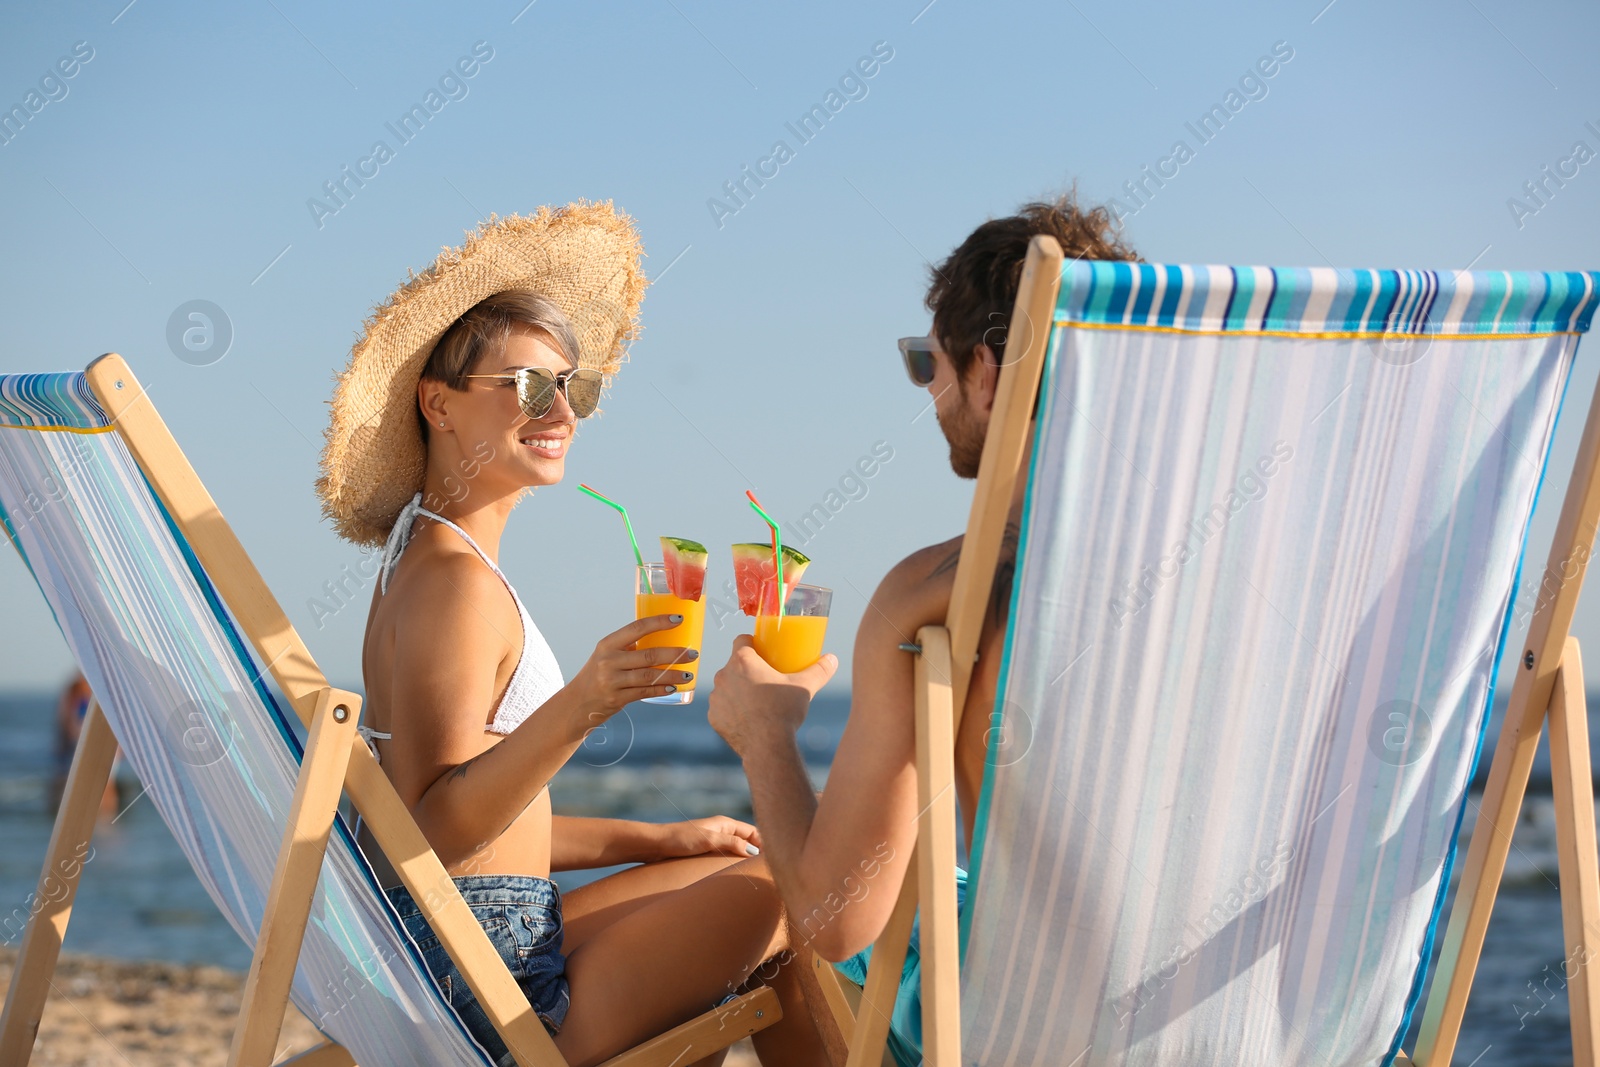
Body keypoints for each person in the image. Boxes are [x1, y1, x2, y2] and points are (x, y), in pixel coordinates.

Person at [316, 203, 824, 1067]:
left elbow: (470, 812)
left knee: (726, 877)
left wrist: (661, 837)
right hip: (494, 987)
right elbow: (440, 827)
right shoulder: (454, 584)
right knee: (797, 897)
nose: (561, 410)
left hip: (456, 944)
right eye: (527, 386)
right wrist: (587, 701)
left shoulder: (430, 556)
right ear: (437, 403)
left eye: (572, 387)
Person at [707, 192, 1142, 1064]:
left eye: (928, 363)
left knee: (778, 952)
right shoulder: (1256, 565)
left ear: (987, 370)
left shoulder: (939, 591)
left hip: (1028, 1031)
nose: (932, 391)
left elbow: (836, 916)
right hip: (1253, 1014)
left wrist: (764, 733)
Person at [53, 670, 119, 816]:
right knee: (103, 790)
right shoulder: (82, 687)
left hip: (87, 743)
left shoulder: (80, 687)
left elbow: (65, 721)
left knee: (78, 792)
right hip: (88, 743)